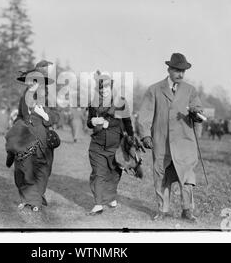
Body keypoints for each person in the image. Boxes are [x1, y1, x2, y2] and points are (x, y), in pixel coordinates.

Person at [137, 53, 203, 222]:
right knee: (162, 176)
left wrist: (196, 115)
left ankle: (187, 210)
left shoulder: (190, 90)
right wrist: (145, 135)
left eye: (183, 71)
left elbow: (198, 111)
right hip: (162, 141)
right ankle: (162, 210)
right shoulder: (154, 90)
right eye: (177, 70)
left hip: (185, 142)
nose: (181, 74)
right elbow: (144, 115)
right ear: (169, 69)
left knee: (187, 177)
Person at [5, 60, 60, 212]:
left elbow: (56, 116)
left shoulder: (49, 96)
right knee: (22, 169)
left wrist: (46, 115)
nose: (34, 83)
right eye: (32, 80)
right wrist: (14, 128)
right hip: (24, 137)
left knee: (42, 169)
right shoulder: (24, 96)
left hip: (42, 138)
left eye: (38, 80)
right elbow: (20, 116)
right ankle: (26, 197)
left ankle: (35, 199)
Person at [86, 71, 135, 215]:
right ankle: (98, 204)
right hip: (97, 144)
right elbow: (89, 122)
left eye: (107, 88)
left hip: (116, 144)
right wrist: (92, 121)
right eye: (101, 89)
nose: (104, 91)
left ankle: (111, 196)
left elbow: (127, 122)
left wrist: (131, 139)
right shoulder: (93, 104)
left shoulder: (121, 102)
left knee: (114, 173)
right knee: (98, 173)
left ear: (111, 87)